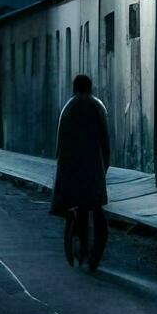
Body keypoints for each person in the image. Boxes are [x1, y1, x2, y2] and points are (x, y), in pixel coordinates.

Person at [50, 73, 111, 272]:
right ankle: (95, 255)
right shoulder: (97, 106)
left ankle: (83, 250)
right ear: (90, 87)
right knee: (96, 208)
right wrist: (105, 166)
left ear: (74, 88)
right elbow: (105, 140)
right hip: (93, 167)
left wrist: (61, 172)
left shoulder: (68, 108)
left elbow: (59, 145)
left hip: (72, 168)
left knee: (79, 208)